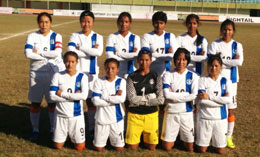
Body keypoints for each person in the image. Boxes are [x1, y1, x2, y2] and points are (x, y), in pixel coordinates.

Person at [24, 12, 64, 141]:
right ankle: (35, 130)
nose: (44, 24)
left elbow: (57, 53)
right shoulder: (32, 36)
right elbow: (28, 54)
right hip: (36, 74)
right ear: (38, 23)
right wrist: (48, 54)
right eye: (41, 21)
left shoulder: (57, 36)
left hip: (52, 74)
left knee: (52, 104)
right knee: (35, 103)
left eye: (46, 22)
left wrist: (40, 52)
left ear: (50, 23)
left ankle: (53, 129)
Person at [141, 11, 179, 137]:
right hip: (149, 74)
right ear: (153, 23)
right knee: (148, 102)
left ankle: (161, 131)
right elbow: (146, 55)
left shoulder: (170, 36)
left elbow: (174, 56)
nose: (159, 25)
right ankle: (147, 131)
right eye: (156, 23)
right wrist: (165, 55)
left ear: (165, 24)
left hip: (165, 75)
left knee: (163, 104)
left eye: (161, 23)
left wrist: (154, 55)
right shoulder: (147, 36)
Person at [67, 10, 103, 140]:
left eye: (88, 21)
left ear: (93, 22)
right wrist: (90, 51)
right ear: (80, 22)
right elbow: (71, 52)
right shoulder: (74, 35)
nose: (86, 24)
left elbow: (98, 52)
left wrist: (79, 49)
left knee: (91, 102)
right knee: (76, 100)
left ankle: (92, 128)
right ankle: (76, 127)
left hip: (91, 75)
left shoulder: (98, 36)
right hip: (77, 74)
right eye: (83, 21)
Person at [208, 19, 243, 149]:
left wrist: (221, 61)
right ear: (221, 30)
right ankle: (214, 135)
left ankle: (228, 136)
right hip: (216, 80)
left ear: (233, 31)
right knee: (214, 106)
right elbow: (212, 61)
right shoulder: (214, 44)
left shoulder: (237, 45)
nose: (227, 32)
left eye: (229, 30)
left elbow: (239, 62)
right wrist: (230, 61)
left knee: (230, 110)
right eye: (224, 29)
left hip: (232, 81)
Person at [161, 48, 199, 152]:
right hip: (171, 111)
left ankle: (182, 139)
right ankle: (175, 138)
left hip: (186, 113)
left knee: (190, 148)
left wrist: (174, 95)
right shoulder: (167, 74)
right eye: (178, 59)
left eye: (184, 59)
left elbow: (194, 95)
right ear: (174, 60)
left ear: (187, 60)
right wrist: (186, 94)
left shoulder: (193, 76)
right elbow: (166, 95)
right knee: (167, 147)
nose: (181, 62)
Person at [125, 50, 165, 150]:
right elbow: (131, 99)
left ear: (151, 60)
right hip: (135, 115)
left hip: (151, 115)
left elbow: (160, 100)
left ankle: (145, 137)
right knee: (132, 147)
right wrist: (150, 98)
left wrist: (140, 100)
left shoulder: (156, 77)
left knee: (152, 147)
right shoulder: (131, 77)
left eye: (147, 60)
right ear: (138, 61)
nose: (144, 62)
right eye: (142, 60)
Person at [50, 51, 88, 151]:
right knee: (57, 146)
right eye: (67, 61)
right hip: (60, 115)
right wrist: (75, 96)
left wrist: (62, 94)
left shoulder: (82, 77)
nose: (69, 64)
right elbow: (52, 97)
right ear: (63, 61)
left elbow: (84, 96)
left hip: (76, 116)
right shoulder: (57, 75)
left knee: (80, 147)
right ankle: (66, 135)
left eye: (72, 62)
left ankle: (71, 136)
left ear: (77, 62)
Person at [196, 54, 233, 154]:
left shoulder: (226, 81)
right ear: (208, 66)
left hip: (220, 119)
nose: (213, 68)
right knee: (202, 150)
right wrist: (221, 100)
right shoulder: (202, 80)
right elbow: (203, 101)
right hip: (205, 118)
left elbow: (228, 100)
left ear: (221, 66)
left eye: (216, 66)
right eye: (211, 65)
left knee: (220, 151)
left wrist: (210, 97)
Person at [91, 58, 126, 151]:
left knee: (119, 148)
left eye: (113, 68)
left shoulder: (121, 81)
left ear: (117, 69)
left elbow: (121, 99)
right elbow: (95, 101)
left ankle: (114, 140)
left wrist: (104, 97)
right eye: (107, 68)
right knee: (98, 148)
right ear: (104, 68)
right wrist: (113, 97)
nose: (110, 71)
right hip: (101, 119)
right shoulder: (98, 82)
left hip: (116, 119)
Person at [106, 12, 141, 79]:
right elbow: (109, 56)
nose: (124, 24)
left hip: (132, 73)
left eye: (126, 22)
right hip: (116, 74)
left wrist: (117, 54)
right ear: (118, 22)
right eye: (121, 21)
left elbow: (137, 56)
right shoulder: (111, 37)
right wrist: (130, 55)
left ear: (130, 23)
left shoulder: (135, 38)